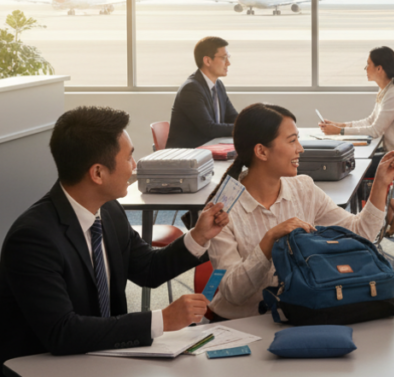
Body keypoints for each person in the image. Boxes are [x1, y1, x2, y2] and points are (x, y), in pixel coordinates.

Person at [0, 106, 229, 363]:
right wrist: (161, 320)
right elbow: (62, 332)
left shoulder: (108, 210)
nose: (134, 166)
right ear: (98, 173)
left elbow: (148, 268)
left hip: (104, 356)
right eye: (129, 158)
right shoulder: (32, 239)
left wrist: (198, 236)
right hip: (47, 366)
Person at [208, 103, 394, 320]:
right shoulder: (221, 210)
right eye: (292, 141)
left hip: (295, 317)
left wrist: (381, 183)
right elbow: (232, 293)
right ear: (261, 151)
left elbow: (361, 233)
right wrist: (269, 240)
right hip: (240, 324)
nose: (300, 148)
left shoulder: (304, 189)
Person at [318, 46, 394, 235]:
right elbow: (370, 121)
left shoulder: (393, 95)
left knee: (357, 168)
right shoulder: (386, 91)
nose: (365, 69)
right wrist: (340, 125)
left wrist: (339, 131)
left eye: (368, 65)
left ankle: (377, 217)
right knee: (356, 166)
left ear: (379, 68)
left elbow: (374, 130)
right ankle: (390, 208)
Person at [167, 36, 238, 148]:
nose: (228, 63)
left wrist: (250, 124)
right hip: (187, 157)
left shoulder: (218, 86)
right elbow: (210, 129)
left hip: (207, 151)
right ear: (208, 61)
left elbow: (234, 117)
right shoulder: (191, 89)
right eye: (224, 58)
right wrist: (244, 127)